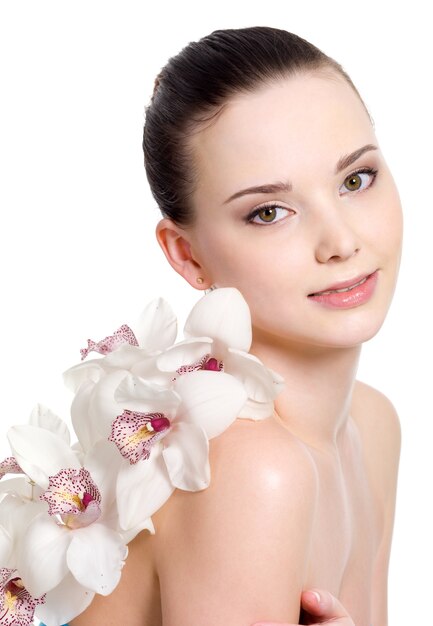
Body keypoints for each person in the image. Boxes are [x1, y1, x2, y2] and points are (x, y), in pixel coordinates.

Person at [69, 25, 402, 626]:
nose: (341, 242)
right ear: (187, 255)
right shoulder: (249, 467)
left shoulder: (373, 426)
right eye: (268, 212)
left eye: (356, 180)